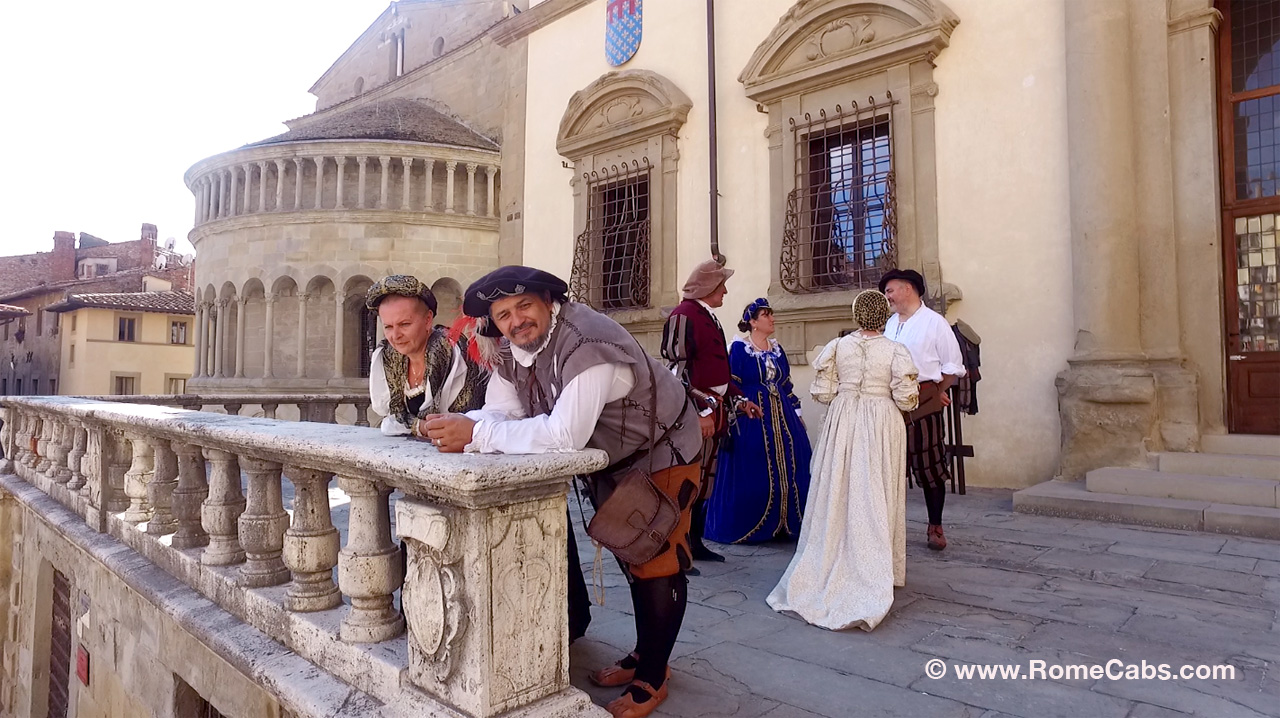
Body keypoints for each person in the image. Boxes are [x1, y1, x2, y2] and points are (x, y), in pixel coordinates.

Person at [422, 266, 703, 718]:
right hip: (616, 455)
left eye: (524, 306)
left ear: (548, 302)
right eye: (504, 314)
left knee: (657, 559)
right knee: (631, 554)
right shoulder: (513, 353)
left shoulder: (586, 340)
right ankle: (645, 653)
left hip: (663, 445)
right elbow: (501, 414)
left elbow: (564, 435)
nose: (516, 321)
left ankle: (653, 674)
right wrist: (469, 427)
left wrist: (474, 435)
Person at [766, 290, 918, 631]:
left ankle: (831, 553)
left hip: (844, 418)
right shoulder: (897, 351)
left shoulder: (837, 348)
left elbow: (822, 392)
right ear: (884, 317)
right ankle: (876, 567)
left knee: (839, 483)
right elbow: (907, 400)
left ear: (856, 315)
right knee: (874, 485)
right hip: (881, 422)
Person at [661, 259, 763, 566]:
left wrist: (740, 400)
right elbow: (676, 372)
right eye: (721, 286)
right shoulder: (684, 315)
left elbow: (717, 376)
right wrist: (698, 412)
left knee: (704, 481)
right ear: (707, 288)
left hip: (715, 412)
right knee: (685, 482)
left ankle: (695, 543)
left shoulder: (707, 316)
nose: (726, 292)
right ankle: (672, 552)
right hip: (696, 416)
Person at [704, 298, 812, 544]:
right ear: (753, 322)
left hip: (782, 415)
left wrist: (797, 413)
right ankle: (755, 521)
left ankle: (786, 520)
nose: (771, 319)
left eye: (771, 314)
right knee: (753, 461)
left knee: (795, 456)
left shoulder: (777, 349)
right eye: (766, 315)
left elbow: (786, 385)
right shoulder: (740, 349)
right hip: (753, 415)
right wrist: (740, 407)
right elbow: (733, 384)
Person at [879, 268, 966, 550]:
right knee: (891, 467)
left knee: (930, 466)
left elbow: (953, 366)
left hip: (923, 401)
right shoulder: (890, 324)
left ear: (908, 289)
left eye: (890, 290)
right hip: (891, 402)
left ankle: (935, 526)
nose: (887, 296)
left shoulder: (935, 323)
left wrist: (937, 393)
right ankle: (889, 530)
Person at [365, 274, 490, 435]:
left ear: (428, 319)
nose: (395, 336)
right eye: (388, 327)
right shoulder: (389, 356)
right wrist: (420, 426)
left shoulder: (447, 349)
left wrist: (416, 426)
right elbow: (392, 420)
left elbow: (452, 421)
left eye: (404, 324)